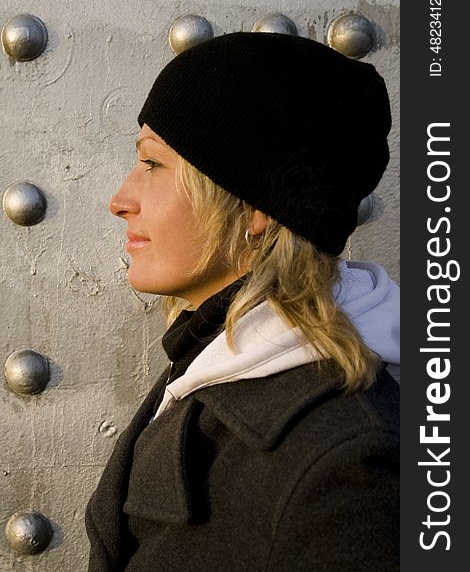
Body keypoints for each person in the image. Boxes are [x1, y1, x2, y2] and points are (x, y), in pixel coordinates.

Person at [85, 31, 399, 571]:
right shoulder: (221, 363)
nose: (121, 200)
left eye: (153, 164)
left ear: (257, 208)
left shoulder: (346, 467)